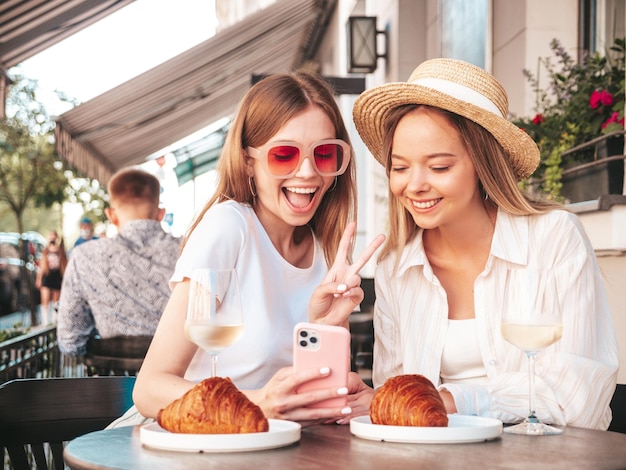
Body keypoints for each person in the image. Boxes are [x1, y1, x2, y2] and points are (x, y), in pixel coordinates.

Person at [351, 58, 618, 430]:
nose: (414, 185)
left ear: (483, 164)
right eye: (400, 167)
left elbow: (577, 399)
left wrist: (454, 399)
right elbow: (396, 396)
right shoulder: (395, 267)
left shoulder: (553, 239)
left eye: (439, 167)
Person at [131, 71, 385, 427]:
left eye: (325, 154)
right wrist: (258, 403)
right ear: (248, 161)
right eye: (284, 155)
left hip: (274, 447)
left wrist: (330, 329)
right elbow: (149, 389)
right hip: (193, 445)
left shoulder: (327, 251)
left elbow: (317, 396)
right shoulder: (229, 227)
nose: (309, 173)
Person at [57, 168, 180, 357]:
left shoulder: (84, 256)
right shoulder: (188, 250)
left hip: (112, 382)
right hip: (184, 379)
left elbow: (70, 341)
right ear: (161, 213)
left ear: (111, 215)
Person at [35, 230, 68, 325]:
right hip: (47, 275)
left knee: (56, 300)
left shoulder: (60, 251)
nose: (52, 238)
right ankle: (45, 321)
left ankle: (55, 321)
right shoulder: (45, 251)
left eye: (53, 236)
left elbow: (64, 264)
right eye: (50, 236)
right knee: (45, 299)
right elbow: (42, 266)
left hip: (57, 275)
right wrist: (39, 278)